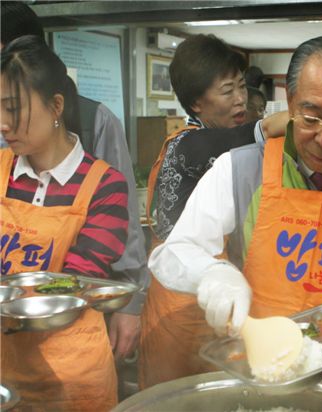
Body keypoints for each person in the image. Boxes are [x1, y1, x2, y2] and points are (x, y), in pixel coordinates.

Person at [149, 35, 322, 406]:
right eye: (310, 117)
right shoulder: (240, 169)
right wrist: (212, 275)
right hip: (259, 381)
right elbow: (175, 251)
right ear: (290, 100)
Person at [139, 33, 289, 389]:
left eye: (241, 87)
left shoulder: (221, 147)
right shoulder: (189, 144)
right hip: (179, 304)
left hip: (220, 297)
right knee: (175, 398)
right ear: (196, 103)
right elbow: (259, 131)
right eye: (227, 91)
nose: (240, 99)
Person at [0, 0, 148, 362]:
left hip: (70, 336)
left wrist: (132, 302)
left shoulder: (98, 125)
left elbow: (117, 233)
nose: (4, 123)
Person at [0, 35, 129, 410]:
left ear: (56, 105)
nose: (3, 125)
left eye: (13, 109)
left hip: (71, 373)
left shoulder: (105, 186)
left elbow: (74, 279)